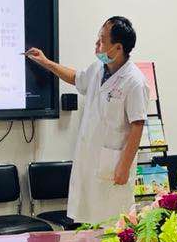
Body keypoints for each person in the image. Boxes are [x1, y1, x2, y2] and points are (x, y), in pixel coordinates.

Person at [26, 16, 147, 227]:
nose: (97, 44)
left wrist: (124, 166)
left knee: (112, 225)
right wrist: (46, 62)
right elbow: (76, 78)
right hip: (90, 159)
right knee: (88, 223)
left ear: (118, 48)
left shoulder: (134, 81)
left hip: (113, 164)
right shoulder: (99, 68)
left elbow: (137, 125)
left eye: (102, 40)